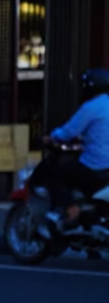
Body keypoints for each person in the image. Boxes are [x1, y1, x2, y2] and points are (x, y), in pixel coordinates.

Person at [40, 68, 109, 225]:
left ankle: (70, 209)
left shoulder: (90, 107)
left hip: (95, 165)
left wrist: (50, 138)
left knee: (55, 175)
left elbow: (67, 132)